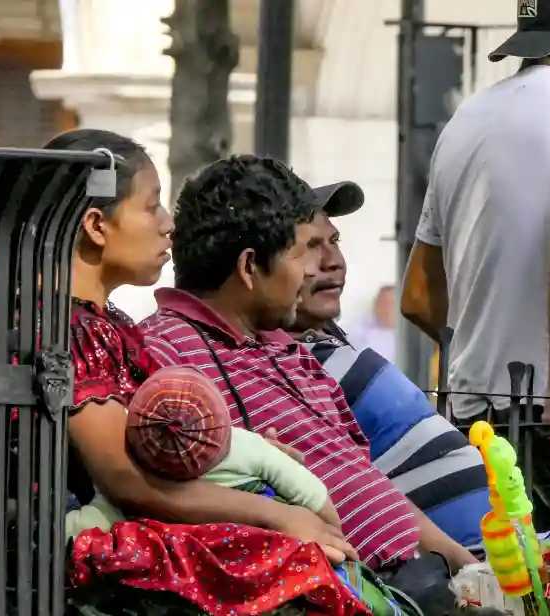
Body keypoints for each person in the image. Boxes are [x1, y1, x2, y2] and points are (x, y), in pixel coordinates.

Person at [140, 156, 479, 613]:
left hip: (423, 580)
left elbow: (365, 479)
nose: (309, 274)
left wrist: (466, 566)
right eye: (301, 254)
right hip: (348, 592)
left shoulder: (292, 351)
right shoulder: (165, 353)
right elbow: (162, 493)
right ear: (249, 267)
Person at [55, 129, 364, 616]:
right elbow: (128, 481)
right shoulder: (72, 330)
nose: (167, 226)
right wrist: (276, 515)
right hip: (93, 550)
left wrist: (236, 451)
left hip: (130, 529)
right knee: (292, 565)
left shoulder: (106, 323)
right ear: (96, 225)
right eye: (151, 207)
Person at [400, 0, 550, 529]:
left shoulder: (467, 116)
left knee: (497, 567)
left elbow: (417, 296)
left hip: (469, 412)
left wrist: (485, 344)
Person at [289, 183, 491, 548]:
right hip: (446, 569)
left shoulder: (323, 341)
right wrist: (458, 560)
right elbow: (353, 496)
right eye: (310, 247)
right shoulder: (280, 371)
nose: (333, 261)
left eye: (334, 241)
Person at [68, 365, 340, 539]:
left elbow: (72, 532)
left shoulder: (120, 498)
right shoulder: (251, 447)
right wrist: (330, 529)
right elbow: (313, 495)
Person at [347, 284, 397, 363]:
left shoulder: (410, 335)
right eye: (382, 303)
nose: (386, 309)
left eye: (391, 304)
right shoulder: (359, 329)